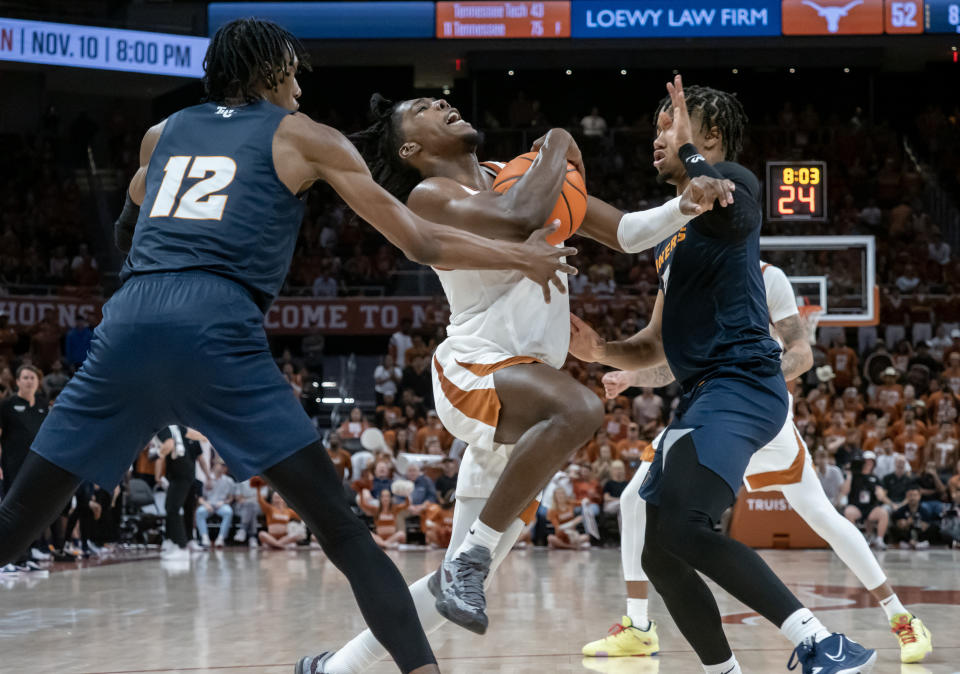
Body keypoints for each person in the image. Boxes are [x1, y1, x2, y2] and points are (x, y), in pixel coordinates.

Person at [0, 17, 584, 674]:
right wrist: (513, 254)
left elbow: (133, 209)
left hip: (130, 321)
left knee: (19, 515)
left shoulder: (159, 134)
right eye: (294, 71)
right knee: (341, 530)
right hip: (216, 326)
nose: (301, 85)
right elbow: (418, 243)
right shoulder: (304, 136)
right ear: (271, 71)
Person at [307, 84, 732, 670]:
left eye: (442, 102)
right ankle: (472, 559)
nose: (444, 106)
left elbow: (628, 233)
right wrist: (559, 140)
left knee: (449, 585)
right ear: (410, 148)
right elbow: (519, 219)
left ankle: (337, 667)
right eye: (426, 110)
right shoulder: (430, 195)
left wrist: (687, 206)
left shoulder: (512, 172)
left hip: (528, 388)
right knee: (581, 409)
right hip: (478, 368)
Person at [570, 77, 876, 673]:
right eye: (658, 127)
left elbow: (710, 187)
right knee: (661, 549)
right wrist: (598, 349)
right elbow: (653, 345)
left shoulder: (737, 183)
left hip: (744, 383)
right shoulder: (671, 237)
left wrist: (691, 157)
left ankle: (819, 642)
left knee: (685, 524)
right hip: (708, 392)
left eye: (669, 125)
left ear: (708, 136)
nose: (657, 136)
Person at [587, 261, 929, 664]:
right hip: (711, 413)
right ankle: (639, 626)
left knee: (821, 515)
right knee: (634, 500)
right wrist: (632, 376)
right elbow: (679, 364)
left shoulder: (767, 277)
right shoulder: (687, 277)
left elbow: (802, 355)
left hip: (761, 412)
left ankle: (901, 617)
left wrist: (752, 375)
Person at [0, 365, 50, 572]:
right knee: (12, 513)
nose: (29, 381)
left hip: (36, 469)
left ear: (38, 382)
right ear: (18, 381)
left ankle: (26, 555)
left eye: (33, 377)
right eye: (25, 377)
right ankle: (8, 559)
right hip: (13, 467)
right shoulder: (7, 405)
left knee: (32, 514)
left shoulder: (42, 405)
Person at [155, 425, 210, 560]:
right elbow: (195, 435)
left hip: (182, 475)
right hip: (184, 475)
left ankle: (181, 547)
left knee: (173, 509)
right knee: (171, 507)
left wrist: (159, 461)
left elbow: (168, 444)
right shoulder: (177, 428)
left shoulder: (164, 428)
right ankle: (171, 542)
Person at [195, 459, 235, 548]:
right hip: (208, 504)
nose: (222, 467)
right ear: (215, 465)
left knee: (228, 512)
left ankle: (221, 538)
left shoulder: (229, 481)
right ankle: (204, 537)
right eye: (221, 465)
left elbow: (231, 498)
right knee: (199, 512)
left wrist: (224, 502)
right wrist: (206, 504)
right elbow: (200, 498)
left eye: (224, 466)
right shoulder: (206, 479)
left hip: (221, 505)